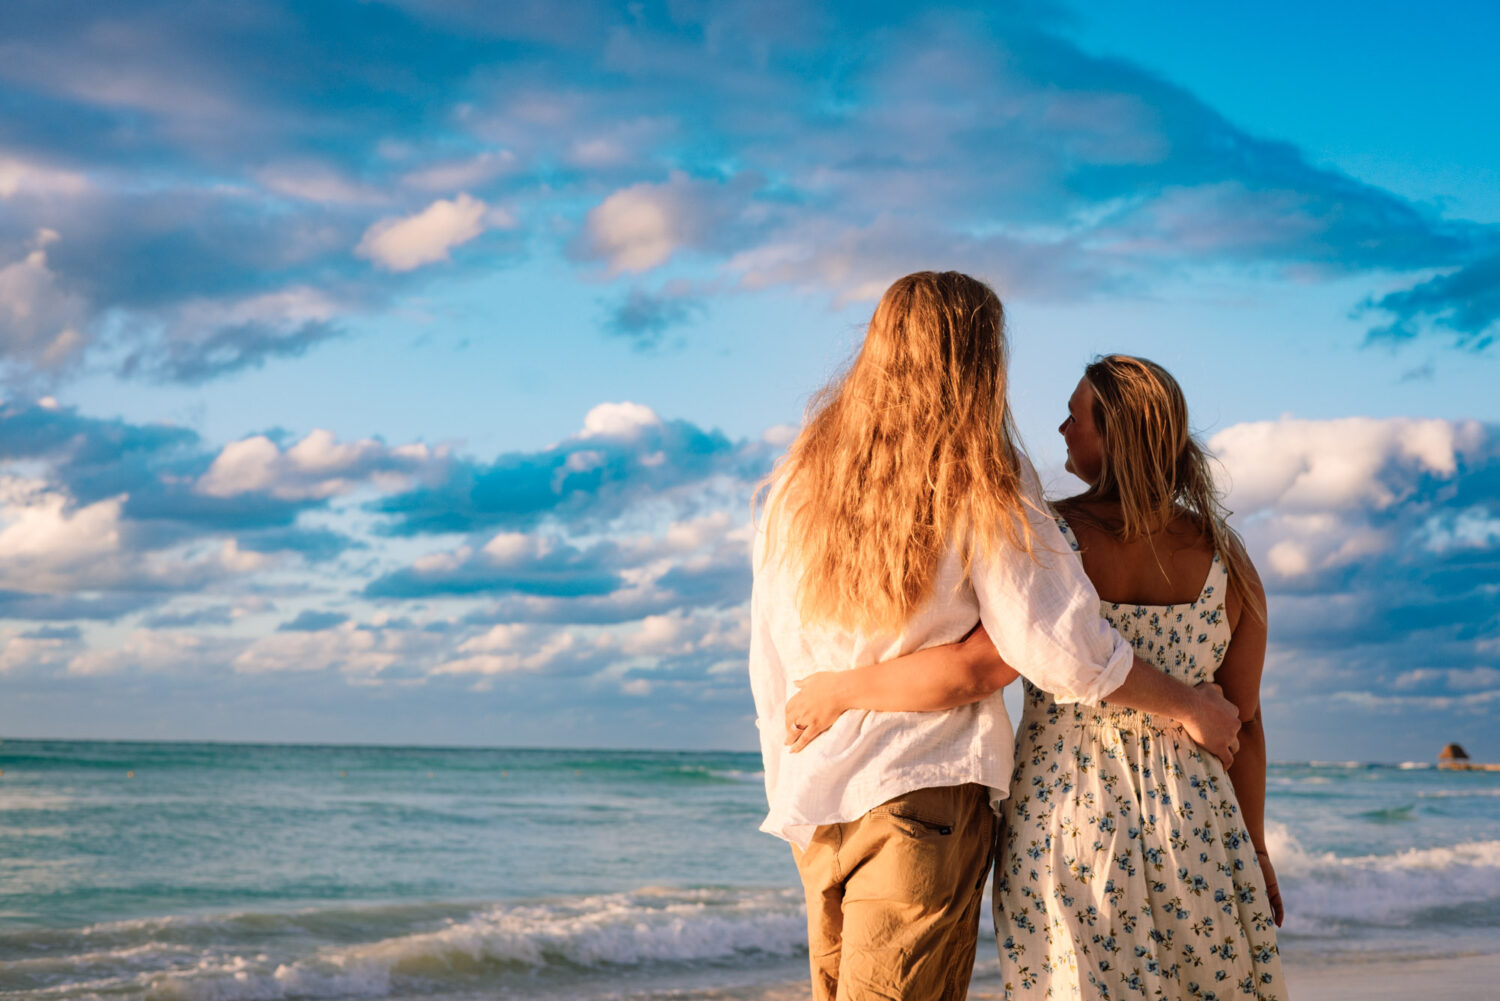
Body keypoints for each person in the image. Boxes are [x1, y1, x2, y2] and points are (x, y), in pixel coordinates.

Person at [749, 274, 1242, 1001]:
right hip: (925, 790)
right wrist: (1190, 704)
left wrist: (792, 777)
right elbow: (1048, 646)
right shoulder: (981, 473)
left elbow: (771, 657)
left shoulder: (800, 477)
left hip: (818, 795)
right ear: (976, 359)